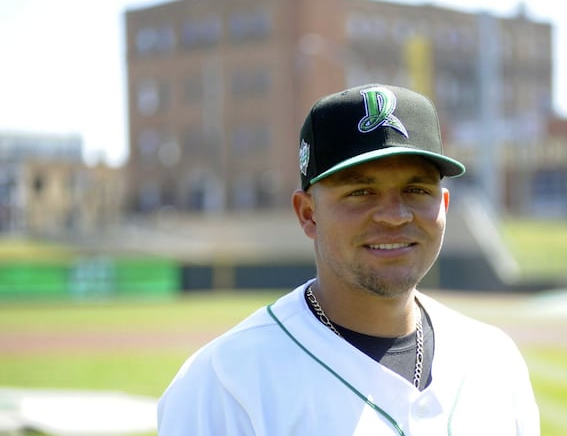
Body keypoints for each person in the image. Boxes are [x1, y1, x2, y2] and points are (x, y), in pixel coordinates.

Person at [157, 84, 540, 435]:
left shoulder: (494, 360)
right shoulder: (225, 381)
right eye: (361, 192)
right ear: (308, 214)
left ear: (443, 206)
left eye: (416, 188)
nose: (395, 215)